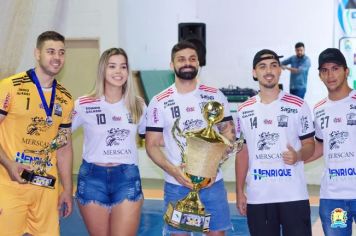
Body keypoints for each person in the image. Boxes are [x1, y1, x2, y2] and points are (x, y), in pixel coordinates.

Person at [145, 41, 236, 236]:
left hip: (212, 183)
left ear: (198, 63)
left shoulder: (215, 96)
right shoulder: (160, 101)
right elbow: (151, 145)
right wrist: (175, 172)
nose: (187, 63)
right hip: (177, 185)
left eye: (192, 59)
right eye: (181, 59)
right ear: (172, 65)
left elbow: (229, 134)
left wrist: (211, 167)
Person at [0, 31, 73, 236]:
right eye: (50, 51)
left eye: (61, 52)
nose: (57, 57)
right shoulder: (10, 87)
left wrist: (67, 189)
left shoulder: (65, 98)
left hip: (45, 186)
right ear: (37, 53)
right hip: (10, 184)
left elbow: (64, 147)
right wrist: (9, 164)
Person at [235, 49, 315, 236]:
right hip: (259, 197)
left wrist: (297, 156)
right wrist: (239, 191)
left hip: (293, 195)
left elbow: (309, 145)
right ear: (254, 72)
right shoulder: (243, 110)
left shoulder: (298, 105)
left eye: (273, 66)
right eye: (262, 67)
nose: (268, 71)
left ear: (280, 70)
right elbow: (242, 152)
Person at [72, 48, 145, 236]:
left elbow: (154, 139)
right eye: (112, 66)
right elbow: (60, 135)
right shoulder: (84, 104)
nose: (118, 72)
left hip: (126, 177)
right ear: (103, 70)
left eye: (123, 67)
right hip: (92, 178)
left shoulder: (138, 105)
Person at [306, 48, 356, 236]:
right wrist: (294, 158)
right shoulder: (318, 109)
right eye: (325, 70)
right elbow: (320, 145)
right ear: (320, 75)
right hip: (333, 198)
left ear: (346, 70)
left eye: (335, 68)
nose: (330, 75)